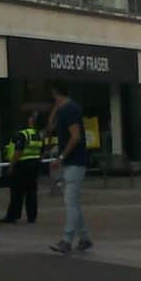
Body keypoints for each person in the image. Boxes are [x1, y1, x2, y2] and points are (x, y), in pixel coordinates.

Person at [48, 80, 93, 254]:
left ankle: (66, 240)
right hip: (71, 162)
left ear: (55, 93)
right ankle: (84, 238)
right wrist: (55, 107)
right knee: (73, 202)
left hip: (75, 161)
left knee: (70, 202)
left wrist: (61, 157)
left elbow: (76, 136)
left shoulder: (70, 109)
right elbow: (50, 125)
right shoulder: (64, 109)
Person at [2, 112, 43, 224]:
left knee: (16, 191)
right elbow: (41, 150)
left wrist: (12, 165)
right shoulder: (38, 134)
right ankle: (32, 216)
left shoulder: (23, 134)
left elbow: (18, 151)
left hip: (22, 165)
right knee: (31, 191)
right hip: (34, 164)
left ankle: (13, 216)